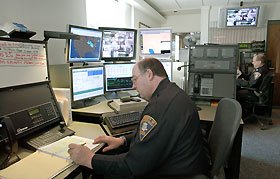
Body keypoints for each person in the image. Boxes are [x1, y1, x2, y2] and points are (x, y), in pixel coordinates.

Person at [68, 58, 210, 178]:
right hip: (187, 165)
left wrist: (90, 159)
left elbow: (131, 166)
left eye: (135, 79)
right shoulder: (172, 94)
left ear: (149, 74)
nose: (133, 85)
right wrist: (122, 140)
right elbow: (155, 136)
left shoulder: (159, 108)